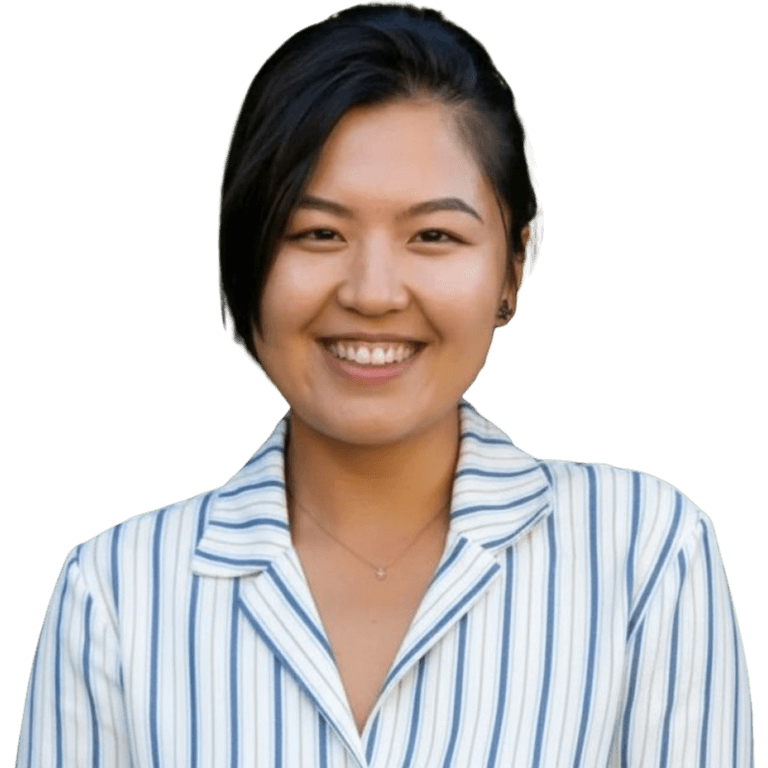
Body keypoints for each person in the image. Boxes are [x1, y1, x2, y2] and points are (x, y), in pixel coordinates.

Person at [16, 2, 753, 766]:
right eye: (317, 233)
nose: (372, 292)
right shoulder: (115, 592)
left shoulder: (645, 555)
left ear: (513, 267)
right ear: (245, 255)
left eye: (433, 235)